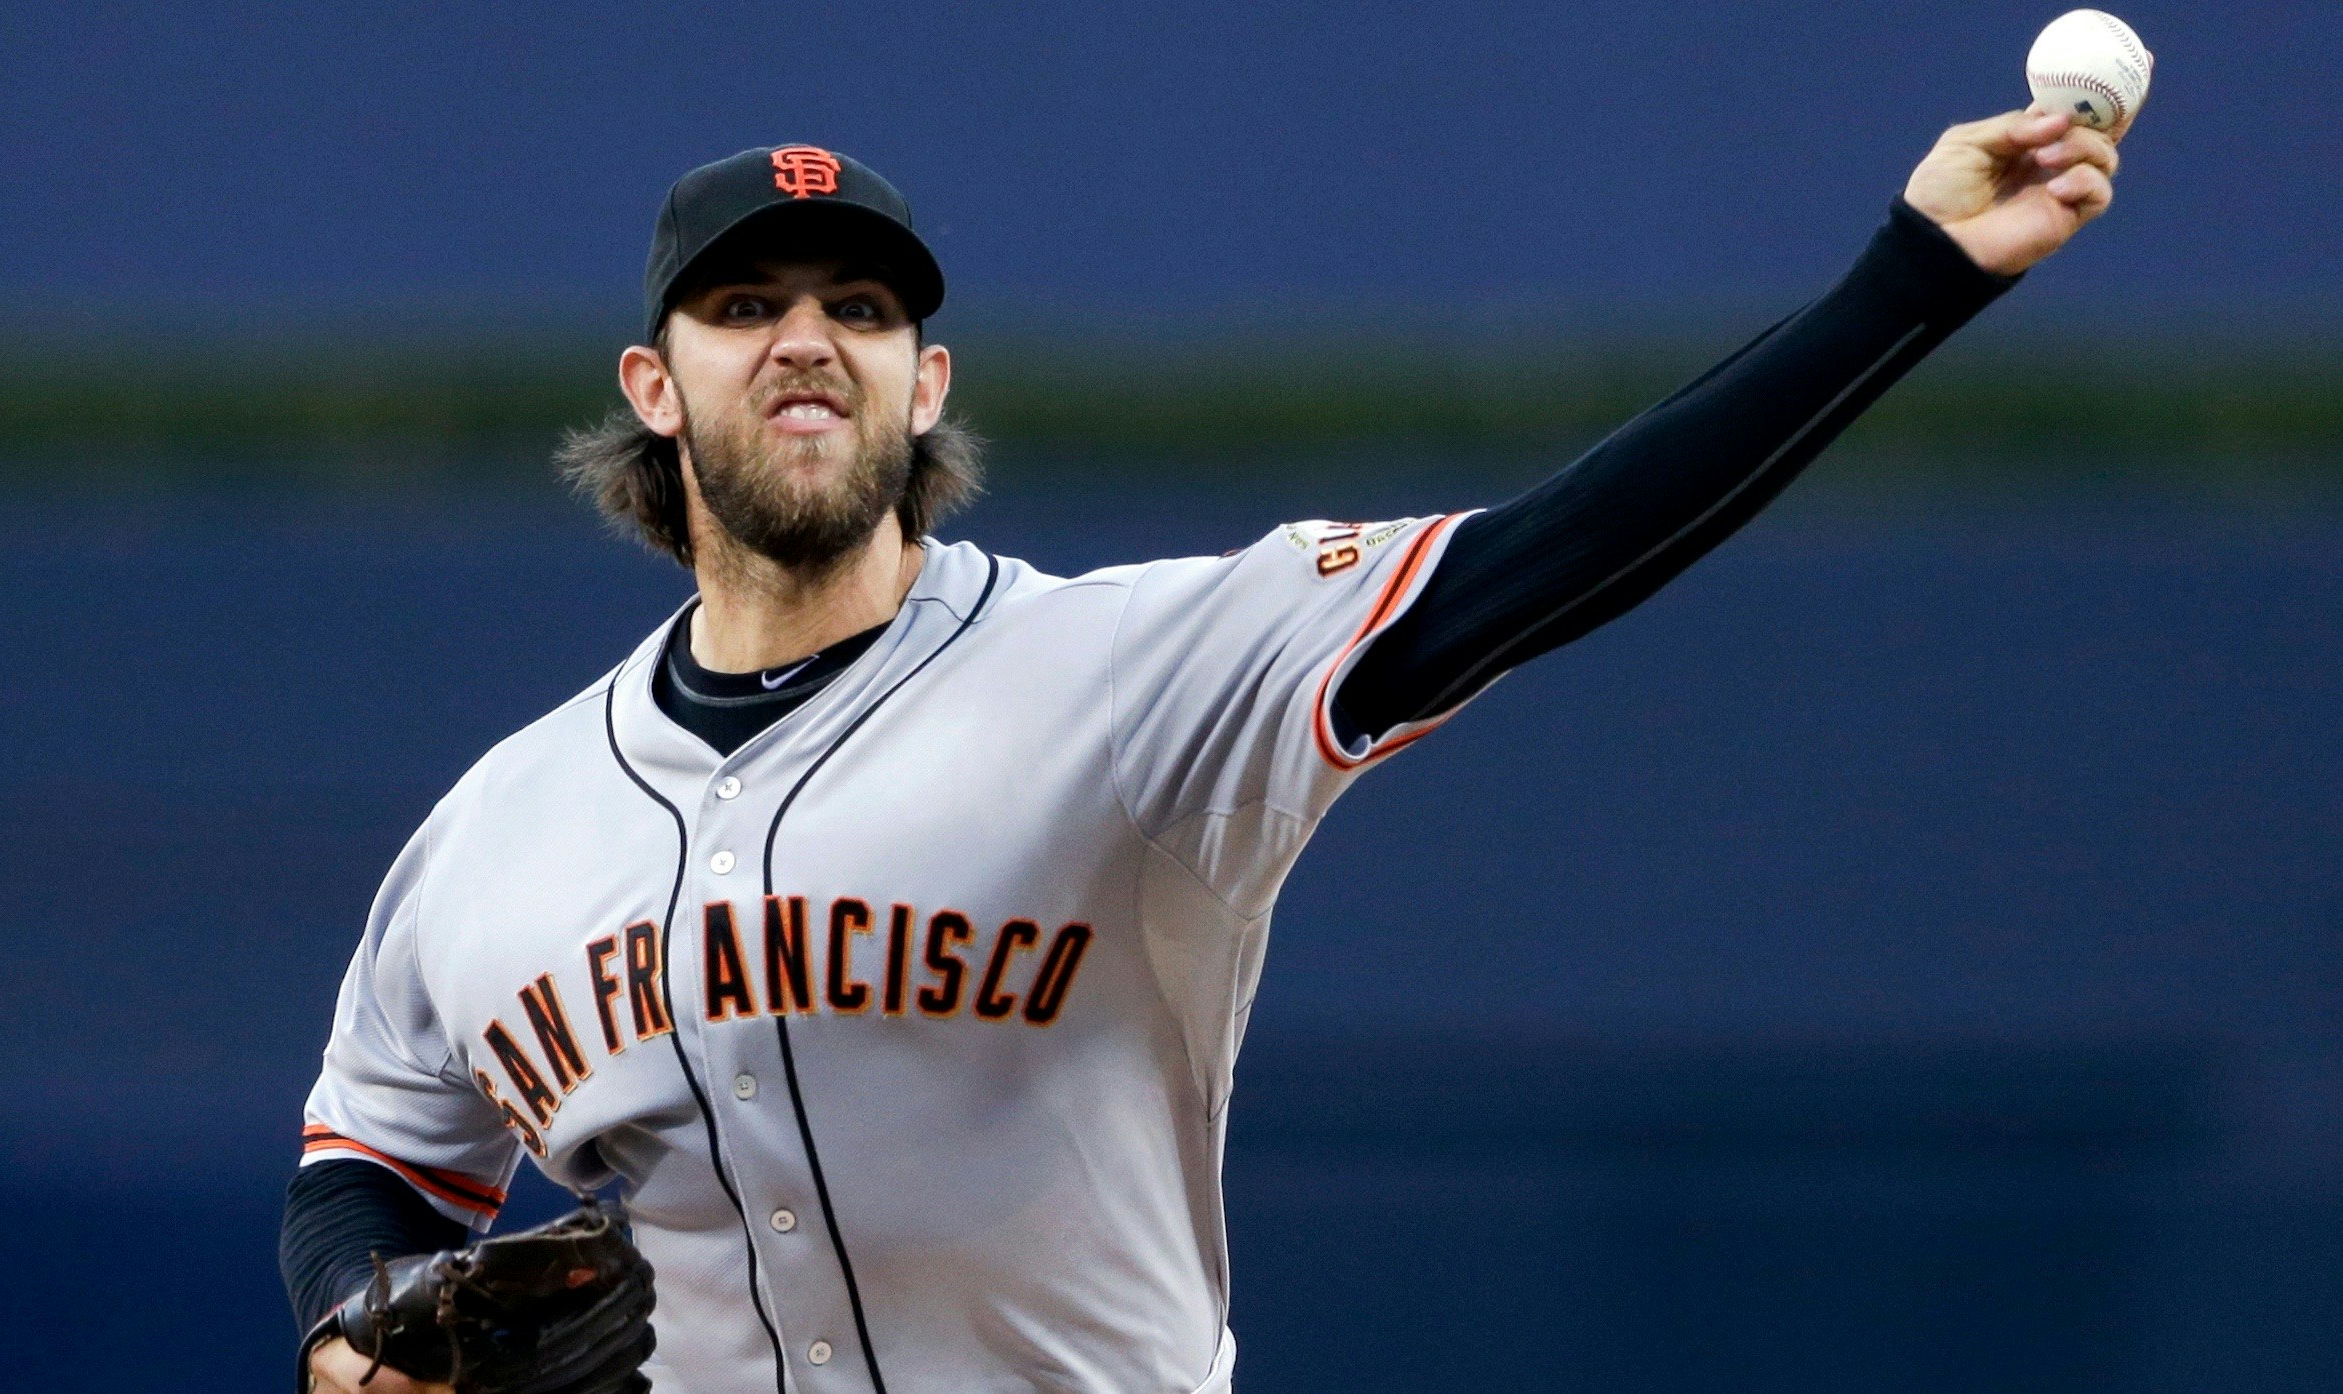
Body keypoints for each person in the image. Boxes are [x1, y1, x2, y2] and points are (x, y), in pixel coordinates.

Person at [283, 113, 2121, 1394]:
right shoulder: (497, 830)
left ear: (927, 385)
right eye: (747, 305)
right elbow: (369, 1155)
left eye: (861, 306)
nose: (807, 343)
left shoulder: (1128, 670)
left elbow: (1542, 556)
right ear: (652, 384)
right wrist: (349, 1329)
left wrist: (1909, 276)